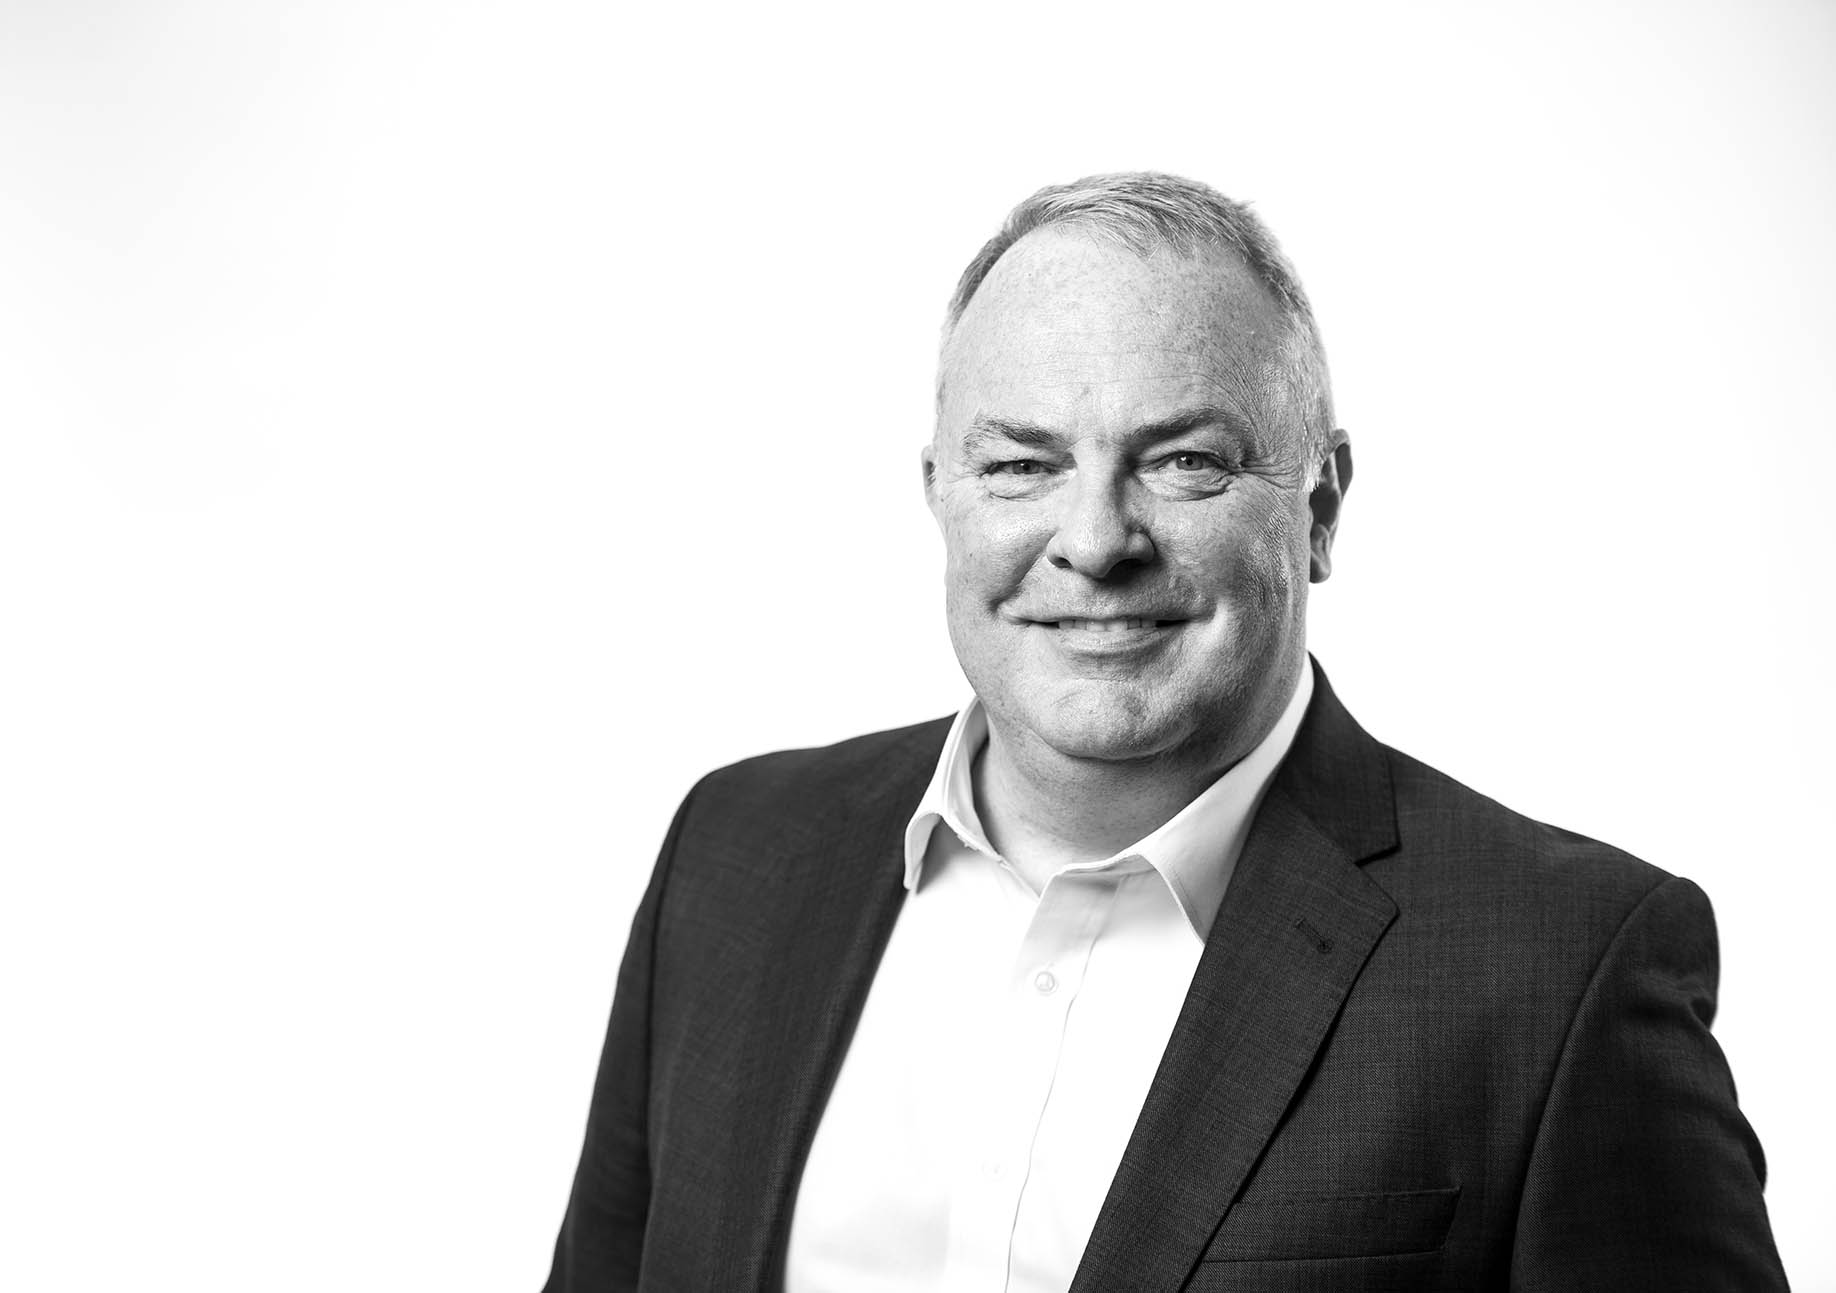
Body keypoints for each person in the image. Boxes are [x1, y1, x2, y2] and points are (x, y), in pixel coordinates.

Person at [543, 172, 1787, 1291]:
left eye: (1183, 461)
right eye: (1020, 465)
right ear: (938, 495)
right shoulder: (735, 852)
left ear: (1319, 508)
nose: (1094, 541)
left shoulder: (1559, 969)